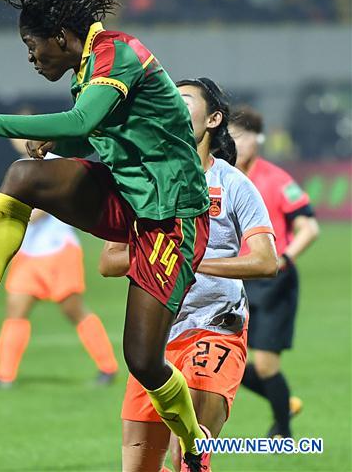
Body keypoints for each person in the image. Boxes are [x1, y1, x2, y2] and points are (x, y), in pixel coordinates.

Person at [0, 0, 212, 470]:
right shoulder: (89, 64)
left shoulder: (118, 54)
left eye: (32, 47)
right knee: (23, 178)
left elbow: (83, 121)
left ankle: (195, 446)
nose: (32, 58)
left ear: (59, 35)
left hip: (172, 215)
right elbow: (118, 134)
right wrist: (56, 145)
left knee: (143, 361)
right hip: (128, 197)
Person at [100, 79, 278, 472]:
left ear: (213, 119)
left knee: (190, 457)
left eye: (183, 100)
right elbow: (109, 261)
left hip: (216, 328)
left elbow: (266, 261)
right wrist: (162, 256)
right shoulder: (145, 183)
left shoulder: (232, 184)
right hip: (156, 341)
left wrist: (189, 260)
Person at [0, 137, 118, 391]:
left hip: (58, 250)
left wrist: (17, 214)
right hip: (30, 254)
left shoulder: (55, 163)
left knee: (74, 310)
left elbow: (47, 205)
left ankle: (108, 367)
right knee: (15, 311)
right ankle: (4, 375)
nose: (20, 138)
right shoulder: (21, 164)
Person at [229, 105, 319, 438]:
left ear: (258, 140)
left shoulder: (277, 179)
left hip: (272, 282)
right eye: (231, 136)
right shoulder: (221, 176)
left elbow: (308, 226)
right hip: (233, 280)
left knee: (266, 364)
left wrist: (284, 258)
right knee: (223, 359)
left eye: (242, 136)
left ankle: (282, 430)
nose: (235, 143)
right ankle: (284, 403)